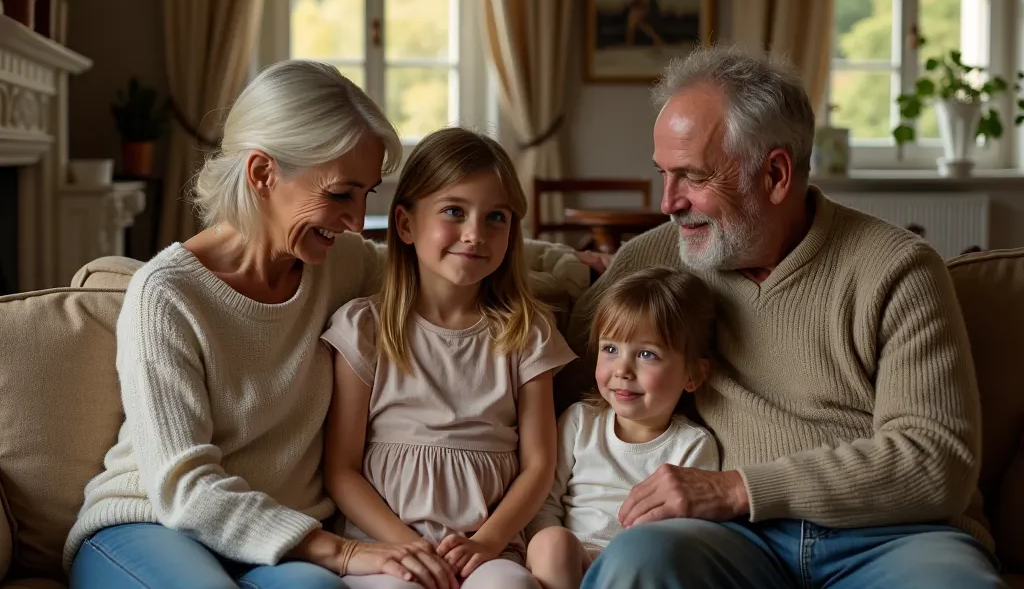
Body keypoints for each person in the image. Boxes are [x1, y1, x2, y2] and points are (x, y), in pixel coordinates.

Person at [63, 61, 586, 589]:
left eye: (367, 195)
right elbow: (183, 487)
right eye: (340, 195)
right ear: (262, 173)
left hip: (280, 538)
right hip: (155, 523)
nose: (358, 221)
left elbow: (449, 263)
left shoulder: (338, 261)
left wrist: (577, 265)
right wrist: (343, 549)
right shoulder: (166, 296)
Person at [559, 46, 1004, 588]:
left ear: (774, 174)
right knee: (637, 561)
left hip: (895, 537)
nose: (668, 202)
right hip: (730, 537)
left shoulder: (896, 269)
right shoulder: (651, 260)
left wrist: (734, 488)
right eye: (664, 174)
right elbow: (556, 374)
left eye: (692, 177)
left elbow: (936, 461)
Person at [321, 128, 578, 589]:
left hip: (490, 547)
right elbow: (342, 469)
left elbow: (539, 464)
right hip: (386, 546)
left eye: (496, 217)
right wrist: (406, 547)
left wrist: (488, 540)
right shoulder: (365, 329)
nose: (475, 234)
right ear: (405, 225)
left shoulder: (528, 332)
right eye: (454, 212)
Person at [525, 267, 720, 589]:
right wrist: (555, 548)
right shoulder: (579, 422)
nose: (623, 370)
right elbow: (545, 503)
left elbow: (687, 530)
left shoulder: (692, 445)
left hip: (633, 569)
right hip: (566, 561)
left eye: (647, 354)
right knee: (552, 543)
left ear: (693, 375)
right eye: (611, 349)